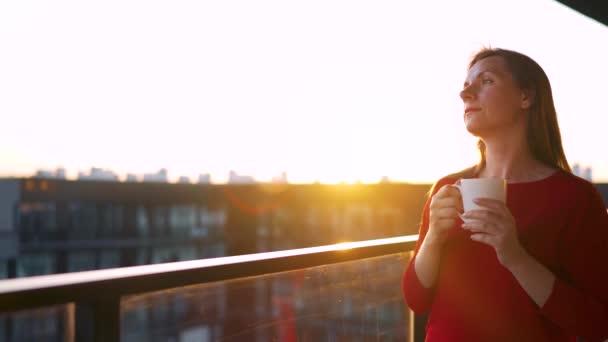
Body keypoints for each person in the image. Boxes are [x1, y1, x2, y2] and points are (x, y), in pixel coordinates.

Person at [402, 47, 608, 341]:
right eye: (465, 87)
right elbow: (416, 299)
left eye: (485, 81)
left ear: (526, 96)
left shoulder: (575, 198)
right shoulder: (447, 189)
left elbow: (596, 324)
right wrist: (434, 236)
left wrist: (515, 256)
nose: (465, 95)